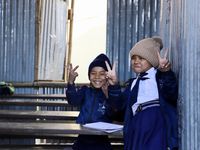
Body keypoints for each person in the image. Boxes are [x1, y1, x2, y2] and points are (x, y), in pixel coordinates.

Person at [106, 37, 178, 150]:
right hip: (137, 126)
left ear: (152, 59)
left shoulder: (159, 77)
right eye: (133, 58)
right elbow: (119, 109)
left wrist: (166, 72)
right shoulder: (133, 84)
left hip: (155, 126)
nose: (136, 61)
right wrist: (114, 85)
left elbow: (171, 93)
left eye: (141, 58)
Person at [65, 53, 121, 150]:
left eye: (102, 73)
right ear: (89, 75)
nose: (97, 77)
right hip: (82, 139)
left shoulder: (110, 94)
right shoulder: (85, 90)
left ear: (108, 76)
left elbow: (115, 112)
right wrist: (70, 82)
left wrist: (108, 95)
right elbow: (73, 101)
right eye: (93, 73)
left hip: (102, 142)